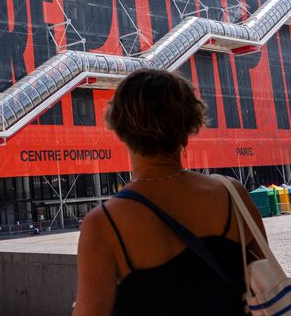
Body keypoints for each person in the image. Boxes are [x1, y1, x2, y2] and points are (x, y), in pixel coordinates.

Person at [73, 69, 266, 316]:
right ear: (187, 130)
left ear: (121, 132)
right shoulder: (233, 195)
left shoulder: (103, 224)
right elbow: (265, 278)